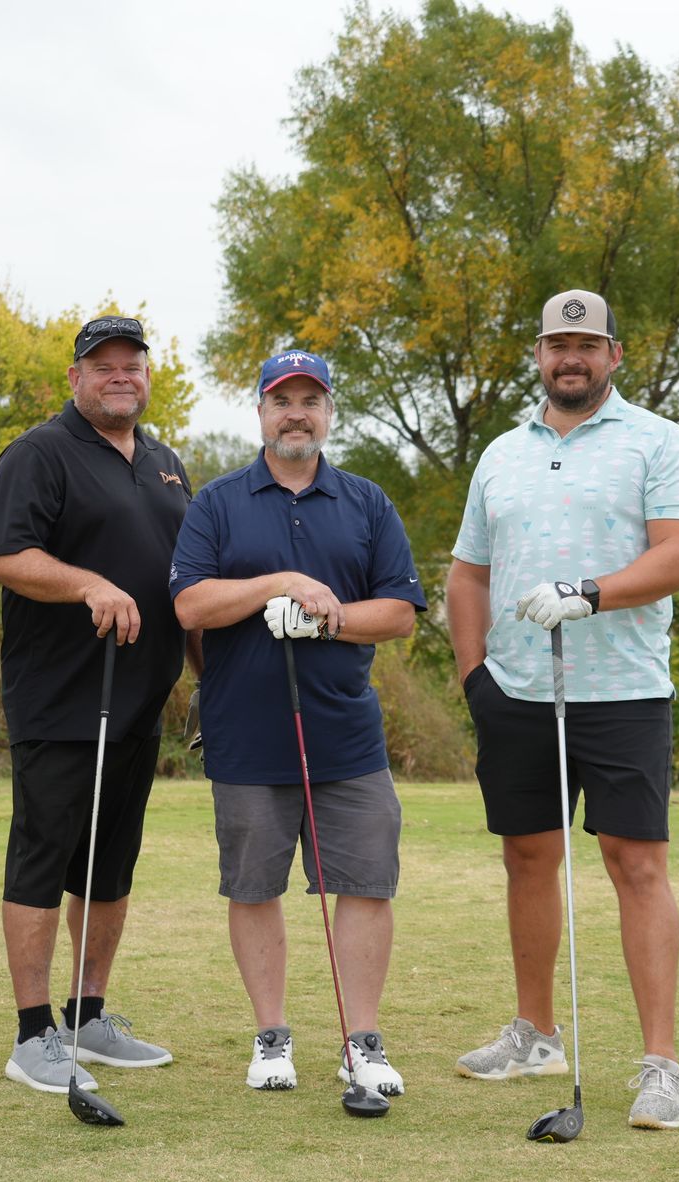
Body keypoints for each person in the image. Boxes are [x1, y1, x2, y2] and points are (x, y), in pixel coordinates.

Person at [447, 290, 679, 1129]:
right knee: (528, 858)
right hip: (519, 692)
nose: (572, 357)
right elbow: (467, 574)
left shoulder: (656, 442)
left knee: (637, 866)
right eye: (558, 343)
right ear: (539, 355)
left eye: (587, 344)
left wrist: (590, 593)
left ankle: (660, 1064)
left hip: (623, 691)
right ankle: (536, 1033)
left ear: (614, 356)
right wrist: (474, 678)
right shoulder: (501, 453)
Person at [171, 350, 426, 1096]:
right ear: (260, 412)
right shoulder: (217, 502)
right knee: (254, 888)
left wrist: (328, 620)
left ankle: (363, 1042)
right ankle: (272, 1036)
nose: (297, 413)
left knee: (367, 882)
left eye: (311, 400)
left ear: (329, 413)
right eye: (283, 400)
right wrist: (278, 584)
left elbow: (400, 614)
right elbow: (190, 606)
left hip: (346, 735)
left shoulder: (367, 502)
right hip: (245, 731)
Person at [0, 315, 197, 1095]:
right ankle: (33, 1032)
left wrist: (207, 678)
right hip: (61, 700)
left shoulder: (168, 464)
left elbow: (189, 580)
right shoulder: (39, 453)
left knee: (112, 864)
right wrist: (89, 584)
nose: (119, 377)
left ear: (146, 377)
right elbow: (6, 555)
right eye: (102, 366)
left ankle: (88, 1014)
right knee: (45, 858)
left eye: (131, 366)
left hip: (140, 701)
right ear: (74, 378)